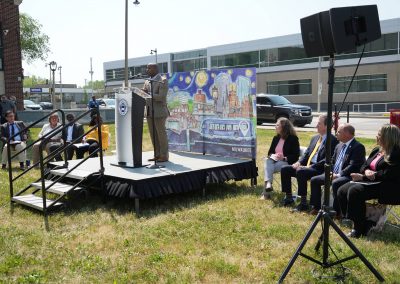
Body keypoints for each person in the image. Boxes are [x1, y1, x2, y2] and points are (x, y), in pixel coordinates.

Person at [337, 124, 400, 238]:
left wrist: (363, 177)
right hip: (372, 182)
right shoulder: (377, 150)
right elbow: (364, 165)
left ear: (387, 137)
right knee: (342, 189)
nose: (377, 136)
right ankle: (353, 219)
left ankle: (359, 228)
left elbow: (388, 174)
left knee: (355, 191)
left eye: (379, 134)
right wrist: (366, 172)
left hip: (388, 186)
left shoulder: (397, 153)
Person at [280, 114, 338, 211]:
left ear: (326, 126)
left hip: (319, 169)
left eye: (319, 124)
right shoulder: (315, 138)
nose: (316, 126)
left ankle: (303, 203)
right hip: (307, 167)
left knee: (301, 172)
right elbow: (306, 154)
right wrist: (298, 162)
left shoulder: (333, 141)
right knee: (285, 169)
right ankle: (289, 198)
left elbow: (328, 160)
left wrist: (310, 167)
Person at [309, 123, 366, 216]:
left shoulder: (358, 147)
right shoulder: (339, 145)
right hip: (334, 174)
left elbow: (353, 165)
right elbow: (332, 161)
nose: (336, 134)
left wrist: (338, 175)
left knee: (336, 183)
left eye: (339, 132)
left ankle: (337, 212)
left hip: (348, 176)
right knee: (314, 180)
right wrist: (330, 172)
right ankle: (316, 207)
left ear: (347, 134)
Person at [261, 117, 300, 200]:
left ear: (283, 127)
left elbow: (295, 155)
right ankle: (268, 184)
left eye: (277, 125)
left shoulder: (293, 139)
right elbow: (270, 152)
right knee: (268, 161)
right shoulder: (276, 138)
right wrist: (274, 156)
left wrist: (284, 158)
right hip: (274, 161)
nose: (275, 127)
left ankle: (266, 193)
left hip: (286, 162)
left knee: (268, 168)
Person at [142, 63, 169, 162]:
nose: (147, 70)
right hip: (149, 112)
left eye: (149, 68)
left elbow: (161, 97)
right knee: (153, 135)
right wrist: (141, 92)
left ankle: (164, 155)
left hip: (159, 111)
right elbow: (144, 93)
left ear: (155, 69)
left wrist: (147, 94)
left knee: (161, 135)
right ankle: (157, 154)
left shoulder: (163, 80)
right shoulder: (147, 81)